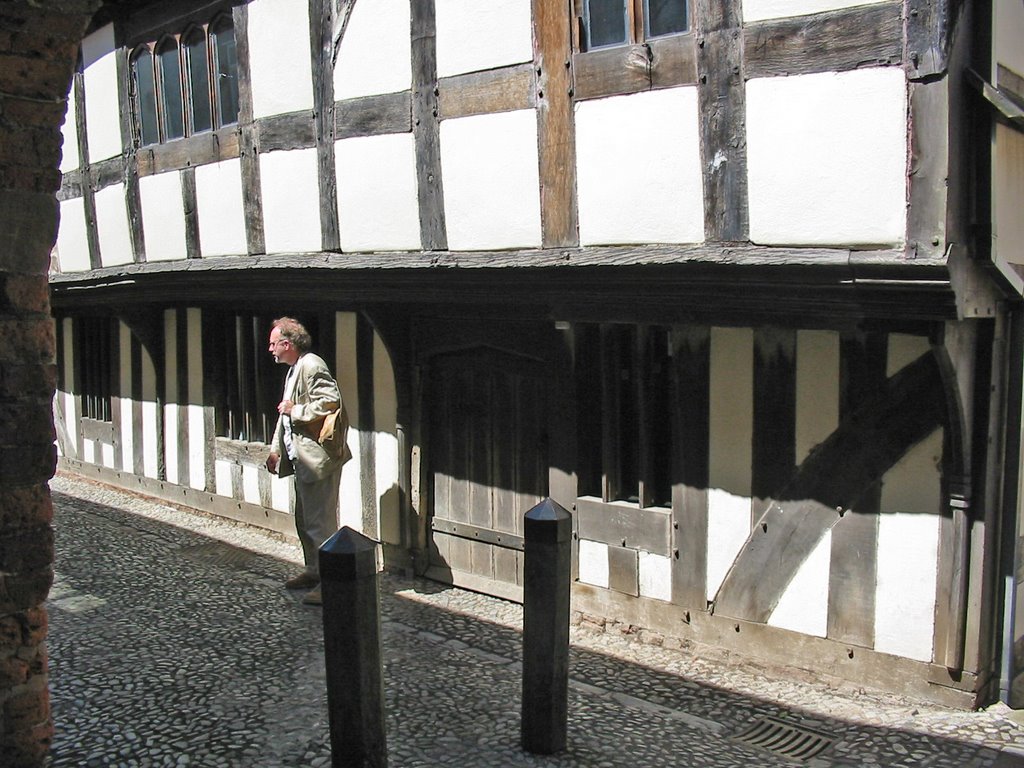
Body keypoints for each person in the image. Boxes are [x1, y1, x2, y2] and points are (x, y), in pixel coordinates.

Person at [265, 317, 345, 606]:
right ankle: (314, 571)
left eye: (274, 344)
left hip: (317, 459)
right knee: (304, 521)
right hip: (301, 459)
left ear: (287, 344)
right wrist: (276, 449)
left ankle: (331, 583)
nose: (271, 349)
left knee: (320, 525)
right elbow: (283, 415)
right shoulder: (293, 369)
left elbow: (330, 400)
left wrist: (296, 409)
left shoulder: (311, 364)